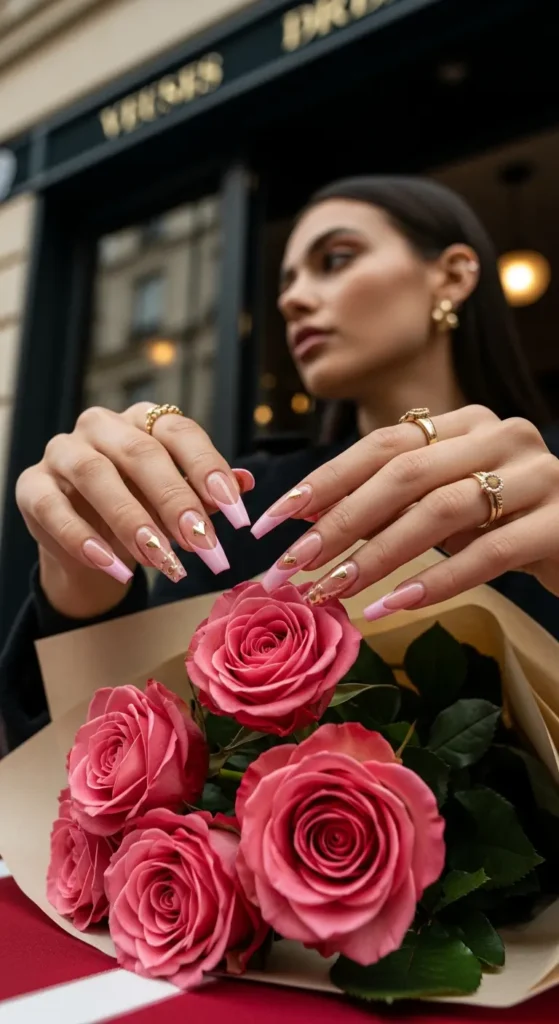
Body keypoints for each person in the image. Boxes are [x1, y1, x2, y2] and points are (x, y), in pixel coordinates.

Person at [2, 175, 559, 751]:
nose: (291, 299)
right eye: (287, 281)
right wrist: (76, 579)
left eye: (335, 259)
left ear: (453, 274)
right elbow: (77, 769)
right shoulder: (248, 503)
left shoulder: (549, 482)